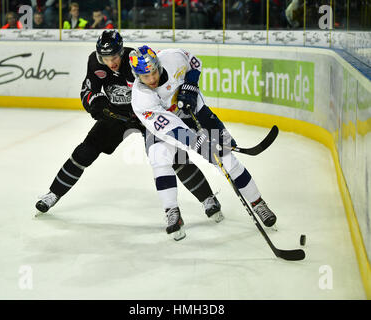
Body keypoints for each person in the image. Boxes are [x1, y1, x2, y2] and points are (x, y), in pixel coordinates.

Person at [35, 30, 223, 240]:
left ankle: (208, 199)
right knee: (85, 151)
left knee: (176, 158)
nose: (111, 62)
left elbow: (154, 88)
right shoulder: (95, 63)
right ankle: (53, 193)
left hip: (146, 117)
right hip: (116, 116)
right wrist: (97, 103)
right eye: (106, 58)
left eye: (114, 57)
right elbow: (88, 90)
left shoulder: (135, 61)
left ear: (121, 52)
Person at [128, 45, 277, 240]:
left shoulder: (172, 57)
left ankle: (258, 203)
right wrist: (198, 143)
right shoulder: (141, 98)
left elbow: (194, 62)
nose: (152, 78)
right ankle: (172, 212)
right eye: (146, 77)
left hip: (195, 113)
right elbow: (170, 129)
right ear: (137, 76)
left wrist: (190, 85)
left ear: (158, 64)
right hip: (168, 127)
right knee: (159, 157)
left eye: (154, 72)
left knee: (226, 158)